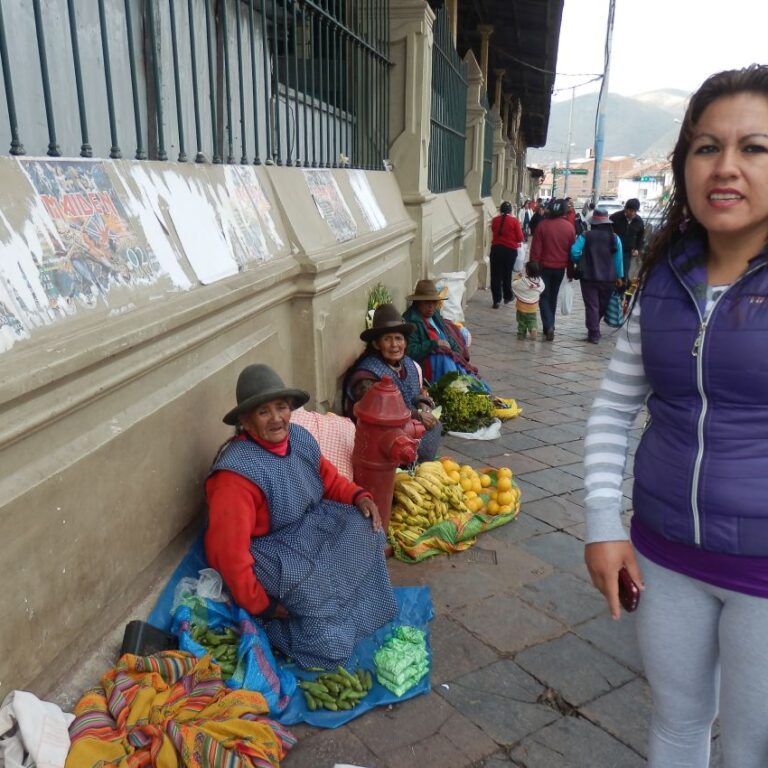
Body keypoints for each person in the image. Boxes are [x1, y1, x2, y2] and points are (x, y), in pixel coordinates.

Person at [583, 65, 768, 768]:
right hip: (664, 554)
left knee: (752, 747)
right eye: (707, 147)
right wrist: (603, 524)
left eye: (755, 148)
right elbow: (613, 408)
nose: (726, 167)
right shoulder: (666, 280)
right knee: (676, 722)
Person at [205, 364, 397, 669]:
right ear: (246, 421)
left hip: (308, 526)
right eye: (263, 412)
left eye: (281, 407)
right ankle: (299, 626)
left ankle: (344, 605)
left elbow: (328, 479)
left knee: (366, 527)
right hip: (270, 549)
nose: (276, 418)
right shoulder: (234, 477)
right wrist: (262, 605)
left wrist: (358, 496)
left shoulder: (299, 438)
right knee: (323, 623)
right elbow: (229, 554)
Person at [342, 303, 442, 461]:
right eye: (387, 339)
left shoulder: (407, 364)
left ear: (405, 342)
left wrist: (422, 403)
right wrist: (417, 416)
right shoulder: (367, 375)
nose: (394, 345)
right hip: (380, 440)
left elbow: (413, 392)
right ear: (376, 344)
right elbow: (379, 413)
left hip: (407, 428)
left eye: (398, 338)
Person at [403, 278, 488, 389]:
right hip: (429, 363)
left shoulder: (435, 315)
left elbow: (447, 336)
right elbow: (410, 351)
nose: (431, 306)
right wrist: (434, 344)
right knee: (446, 361)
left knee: (472, 379)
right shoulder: (411, 321)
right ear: (418, 303)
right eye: (427, 302)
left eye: (434, 302)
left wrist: (456, 353)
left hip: (447, 357)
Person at [570, 208, 624, 344]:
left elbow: (574, 251)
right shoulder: (615, 238)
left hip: (588, 277)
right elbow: (618, 259)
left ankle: (594, 332)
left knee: (592, 305)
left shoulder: (585, 236)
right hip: (609, 279)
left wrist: (580, 261)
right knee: (601, 306)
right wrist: (619, 276)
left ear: (593, 222)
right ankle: (594, 329)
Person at [528, 198, 576, 341]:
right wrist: (570, 270)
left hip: (544, 267)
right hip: (560, 268)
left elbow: (536, 249)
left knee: (543, 296)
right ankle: (550, 325)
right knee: (553, 296)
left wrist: (533, 267)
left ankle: (548, 325)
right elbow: (571, 252)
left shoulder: (543, 225)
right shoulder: (569, 228)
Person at [489, 201, 524, 308]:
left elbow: (494, 230)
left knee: (495, 275)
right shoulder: (514, 221)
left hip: (496, 249)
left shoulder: (495, 220)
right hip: (510, 251)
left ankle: (496, 300)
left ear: (500, 210)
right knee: (507, 274)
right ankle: (507, 296)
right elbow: (520, 238)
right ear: (510, 211)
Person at [609, 197, 644, 283]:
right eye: (631, 210)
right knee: (612, 272)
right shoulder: (615, 217)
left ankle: (621, 289)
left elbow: (640, 237)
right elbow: (607, 233)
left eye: (635, 211)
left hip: (627, 253)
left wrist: (637, 249)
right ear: (626, 208)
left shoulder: (639, 221)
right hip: (613, 251)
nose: (632, 213)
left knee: (624, 273)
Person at [511, 260, 545, 340]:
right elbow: (542, 288)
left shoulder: (523, 281)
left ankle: (521, 334)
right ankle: (533, 328)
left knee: (521, 321)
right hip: (533, 307)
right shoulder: (539, 281)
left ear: (527, 271)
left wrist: (517, 278)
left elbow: (514, 285)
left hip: (521, 307)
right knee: (532, 320)